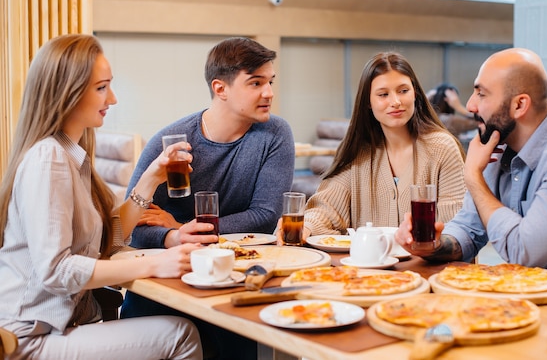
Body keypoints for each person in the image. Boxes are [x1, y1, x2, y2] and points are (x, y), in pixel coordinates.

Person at [0, 34, 202, 359]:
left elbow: (106, 241)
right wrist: (153, 264)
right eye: (101, 87)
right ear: (68, 91)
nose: (113, 98)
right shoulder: (48, 159)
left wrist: (150, 179)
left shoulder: (71, 155)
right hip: (30, 336)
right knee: (180, 334)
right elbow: (57, 270)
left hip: (64, 325)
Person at [122, 36, 294, 359]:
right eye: (256, 83)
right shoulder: (171, 141)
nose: (269, 93)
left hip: (234, 283)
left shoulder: (275, 134)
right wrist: (173, 236)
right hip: (167, 286)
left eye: (270, 82)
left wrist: (182, 226)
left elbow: (265, 215)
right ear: (220, 88)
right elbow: (134, 226)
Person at [396, 47, 547, 285]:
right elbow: (468, 230)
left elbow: (524, 252)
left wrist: (474, 177)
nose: (470, 105)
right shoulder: (499, 143)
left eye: (481, 94)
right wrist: (431, 245)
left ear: (519, 105)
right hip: (525, 297)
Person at [277, 51, 466, 241]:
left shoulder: (442, 148)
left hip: (429, 267)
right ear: (368, 102)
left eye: (403, 91)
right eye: (383, 94)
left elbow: (456, 226)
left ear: (415, 93)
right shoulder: (359, 150)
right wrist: (306, 226)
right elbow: (327, 208)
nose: (396, 102)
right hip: (368, 268)